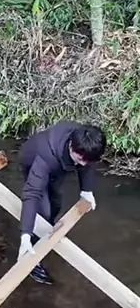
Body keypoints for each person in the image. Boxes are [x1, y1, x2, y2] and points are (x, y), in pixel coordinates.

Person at [18, 121, 106, 285]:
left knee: (56, 202)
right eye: (80, 159)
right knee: (43, 210)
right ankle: (30, 253)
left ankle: (44, 233)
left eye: (87, 160)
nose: (83, 164)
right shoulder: (47, 153)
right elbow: (32, 193)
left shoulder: (85, 142)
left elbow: (87, 163)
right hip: (33, 161)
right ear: (71, 146)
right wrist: (25, 234)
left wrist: (86, 190)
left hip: (58, 167)